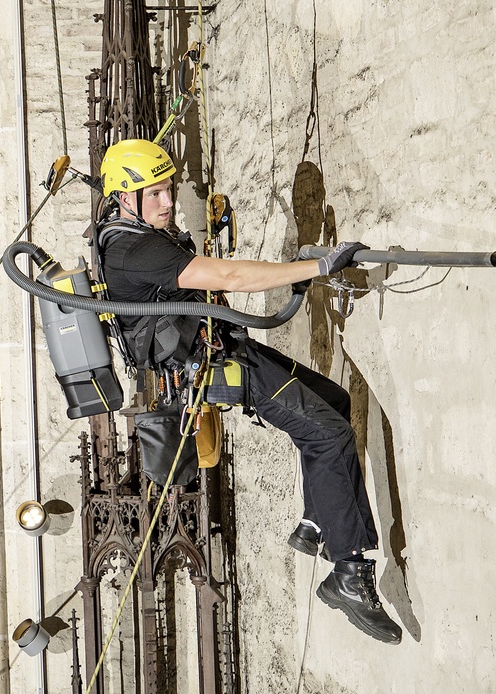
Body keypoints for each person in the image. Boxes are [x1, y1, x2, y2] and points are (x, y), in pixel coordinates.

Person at [96, 138, 401, 645]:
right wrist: (317, 269)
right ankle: (348, 574)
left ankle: (317, 523)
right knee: (329, 435)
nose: (169, 201)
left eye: (170, 188)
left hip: (219, 343)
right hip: (213, 362)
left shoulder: (129, 231)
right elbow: (233, 277)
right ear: (125, 197)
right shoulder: (136, 248)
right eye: (156, 193)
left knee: (333, 403)